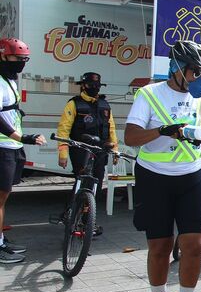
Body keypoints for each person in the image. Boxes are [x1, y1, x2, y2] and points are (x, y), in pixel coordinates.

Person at [124, 40, 201, 292]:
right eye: (194, 70)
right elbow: (131, 137)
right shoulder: (149, 94)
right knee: (159, 246)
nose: (199, 77)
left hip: (193, 176)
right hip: (154, 177)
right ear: (176, 67)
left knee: (195, 245)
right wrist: (162, 130)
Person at [0, 37, 46, 264]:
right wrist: (21, 137)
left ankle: (0, 240)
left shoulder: (10, 80)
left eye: (24, 59)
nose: (21, 63)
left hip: (11, 147)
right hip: (3, 147)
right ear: (3, 55)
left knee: (3, 199)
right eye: (17, 58)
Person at [57, 72, 118, 234]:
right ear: (83, 86)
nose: (94, 89)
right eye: (91, 86)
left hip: (100, 151)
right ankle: (71, 214)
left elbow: (111, 129)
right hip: (80, 150)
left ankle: (87, 222)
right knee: (81, 182)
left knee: (95, 186)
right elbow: (63, 129)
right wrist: (62, 153)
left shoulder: (105, 105)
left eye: (97, 86)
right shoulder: (74, 104)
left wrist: (115, 150)